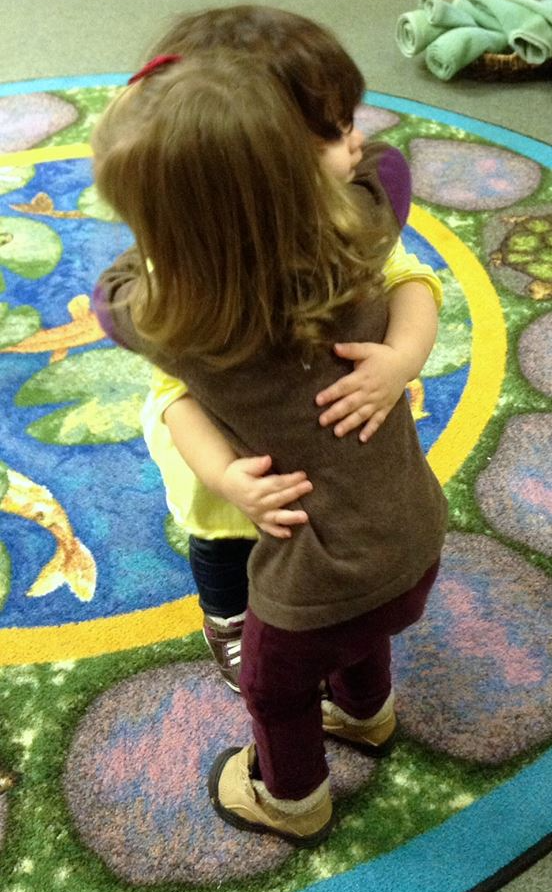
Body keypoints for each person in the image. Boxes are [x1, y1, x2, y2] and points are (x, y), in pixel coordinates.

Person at [92, 50, 448, 846]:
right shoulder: (360, 247)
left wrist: (165, 211)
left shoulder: (182, 318)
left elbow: (107, 298)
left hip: (318, 572)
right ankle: (368, 715)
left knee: (274, 688)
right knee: (365, 636)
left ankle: (291, 800)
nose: (355, 141)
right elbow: (386, 170)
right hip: (413, 531)